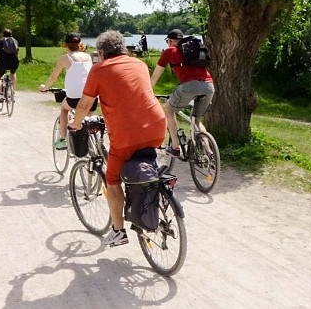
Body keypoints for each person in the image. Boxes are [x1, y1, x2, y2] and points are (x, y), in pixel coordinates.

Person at [69, 30, 166, 247]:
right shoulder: (139, 64)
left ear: (102, 52)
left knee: (112, 180)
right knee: (145, 160)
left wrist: (75, 124)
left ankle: (118, 231)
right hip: (158, 127)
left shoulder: (99, 69)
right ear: (122, 48)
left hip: (127, 135)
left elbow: (85, 105)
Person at [150, 29, 215, 157]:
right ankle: (209, 151)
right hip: (209, 86)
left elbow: (155, 76)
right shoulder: (192, 50)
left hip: (189, 86)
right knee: (196, 120)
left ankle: (175, 147)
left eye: (167, 41)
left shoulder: (169, 51)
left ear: (169, 41)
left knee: (169, 108)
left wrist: (147, 92)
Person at [38, 32, 99, 149]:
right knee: (85, 122)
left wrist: (44, 87)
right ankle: (92, 148)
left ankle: (63, 139)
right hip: (92, 98)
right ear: (79, 44)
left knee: (64, 109)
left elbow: (53, 77)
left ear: (65, 44)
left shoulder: (65, 58)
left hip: (74, 99)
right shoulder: (88, 57)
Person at [0, 29, 19, 103]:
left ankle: (0, 94)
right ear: (11, 34)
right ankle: (12, 92)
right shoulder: (15, 41)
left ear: (3, 34)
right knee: (13, 74)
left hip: (3, 63)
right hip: (14, 62)